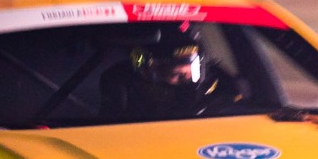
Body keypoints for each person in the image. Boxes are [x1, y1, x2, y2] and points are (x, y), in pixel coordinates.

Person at [98, 28, 241, 122]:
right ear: (144, 69)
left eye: (187, 72)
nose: (184, 79)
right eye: (174, 73)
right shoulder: (119, 84)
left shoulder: (225, 88)